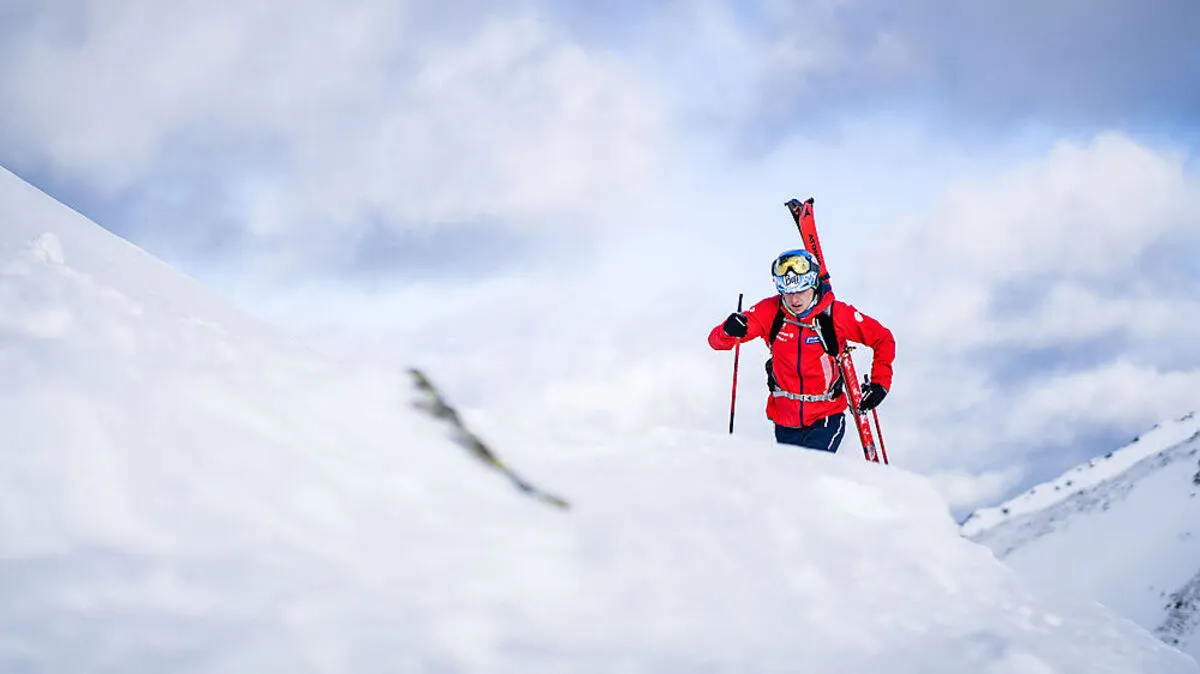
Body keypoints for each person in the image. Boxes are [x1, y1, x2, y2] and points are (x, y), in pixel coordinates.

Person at [708, 249, 895, 452]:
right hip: (784, 421)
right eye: (788, 293)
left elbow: (882, 338)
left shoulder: (836, 314)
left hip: (826, 417)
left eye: (801, 291)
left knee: (811, 471)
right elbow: (717, 342)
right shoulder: (770, 312)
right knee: (791, 480)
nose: (794, 300)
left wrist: (880, 384)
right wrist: (728, 330)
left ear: (814, 284)